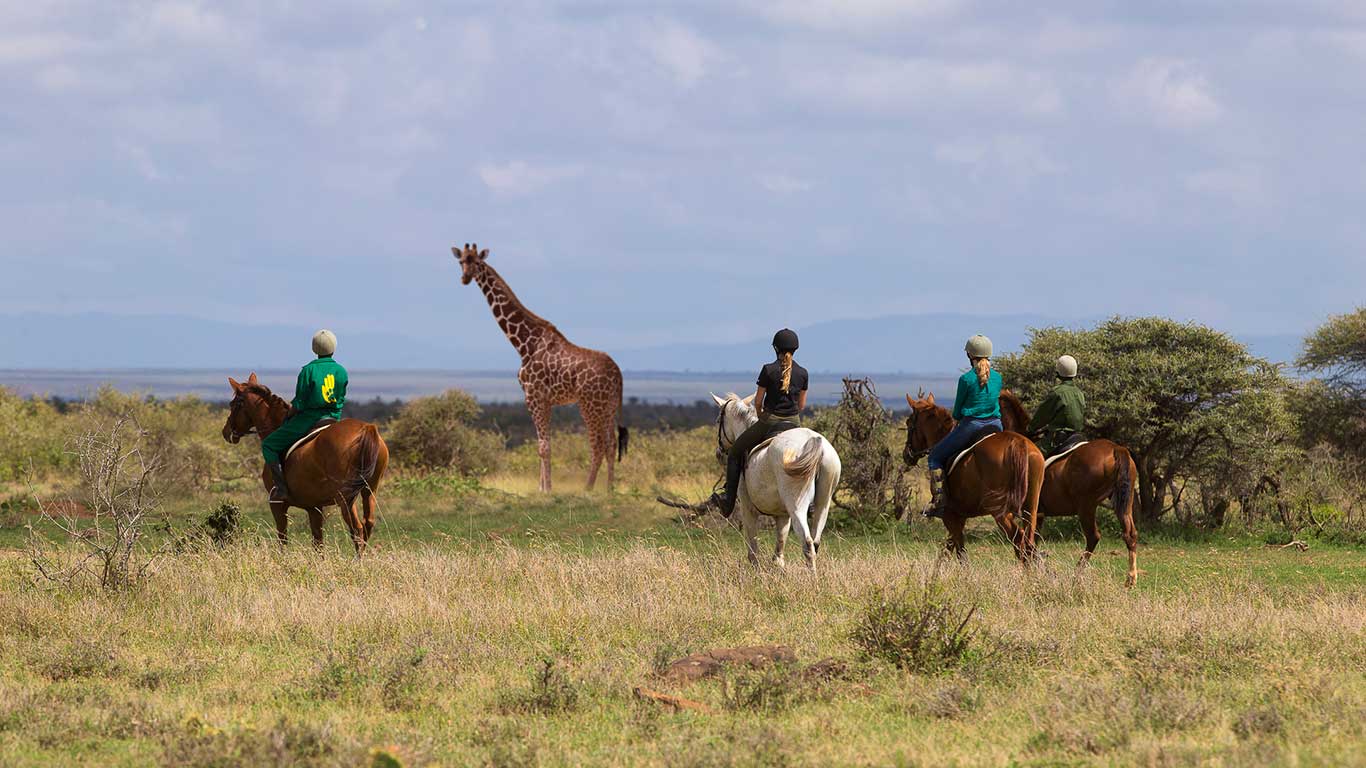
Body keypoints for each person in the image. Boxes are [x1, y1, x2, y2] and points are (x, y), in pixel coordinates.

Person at [710, 328, 809, 517]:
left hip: (769, 422)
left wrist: (762, 415)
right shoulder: (803, 373)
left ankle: (727, 502)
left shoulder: (768, 370)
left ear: (775, 348)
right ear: (795, 349)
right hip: (795, 424)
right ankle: (809, 502)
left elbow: (757, 401)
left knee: (735, 451)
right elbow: (801, 405)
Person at [260, 330, 348, 502]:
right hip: (334, 418)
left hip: (310, 419)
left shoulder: (308, 371)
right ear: (334, 348)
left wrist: (289, 414)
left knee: (269, 444)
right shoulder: (341, 371)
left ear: (314, 348)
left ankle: (281, 489)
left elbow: (300, 402)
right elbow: (341, 397)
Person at [924, 334, 1003, 518]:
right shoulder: (998, 378)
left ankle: (939, 503)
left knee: (935, 456)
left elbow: (958, 411)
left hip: (972, 425)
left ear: (970, 355)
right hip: (996, 425)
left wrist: (958, 416)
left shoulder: (966, 379)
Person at [1027, 354, 1086, 457]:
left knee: (1030, 457)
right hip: (1077, 436)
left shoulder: (1057, 392)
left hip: (1057, 439)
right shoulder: (1079, 393)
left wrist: (1030, 428)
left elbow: (1042, 415)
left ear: (1058, 372)